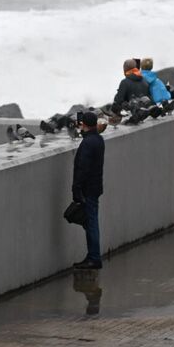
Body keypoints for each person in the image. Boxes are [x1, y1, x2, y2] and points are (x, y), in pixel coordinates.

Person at [71, 111, 105, 269]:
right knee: (91, 222)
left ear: (83, 124)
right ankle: (93, 255)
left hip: (88, 189)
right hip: (95, 186)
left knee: (91, 223)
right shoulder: (98, 139)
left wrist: (76, 188)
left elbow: (82, 168)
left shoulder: (87, 143)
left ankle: (94, 258)